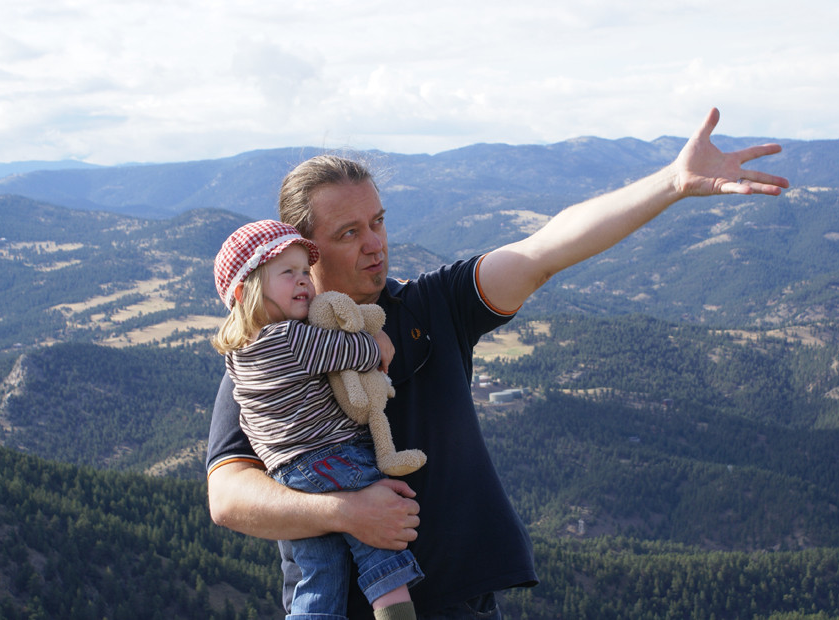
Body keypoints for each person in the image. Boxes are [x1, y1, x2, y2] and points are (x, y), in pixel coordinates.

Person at [206, 108, 790, 617]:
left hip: (464, 606)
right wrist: (348, 512)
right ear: (303, 253)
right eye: (349, 232)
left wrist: (671, 183)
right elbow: (228, 498)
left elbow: (546, 249)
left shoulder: (435, 306)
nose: (375, 244)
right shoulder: (267, 354)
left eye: (379, 221)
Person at [211, 219, 424, 620]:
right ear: (244, 292)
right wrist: (375, 340)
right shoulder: (291, 338)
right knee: (380, 543)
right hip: (330, 456)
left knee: (318, 572)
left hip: (286, 475)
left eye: (304, 272)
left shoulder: (238, 357)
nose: (304, 282)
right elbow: (354, 355)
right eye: (287, 273)